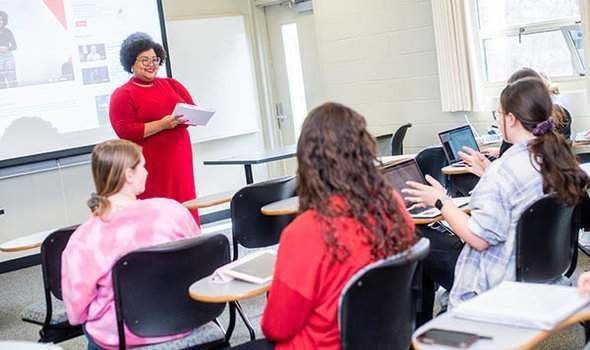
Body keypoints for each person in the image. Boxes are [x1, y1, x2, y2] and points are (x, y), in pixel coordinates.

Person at [233, 102, 417, 350]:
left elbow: (276, 327)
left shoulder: (306, 231)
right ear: (363, 151)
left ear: (309, 163)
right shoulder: (392, 205)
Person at [404, 77, 588, 325]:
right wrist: (488, 172)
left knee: (417, 237)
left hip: (497, 278)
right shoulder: (556, 159)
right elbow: (520, 196)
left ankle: (426, 327)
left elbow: (479, 240)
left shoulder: (505, 170)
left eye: (498, 114)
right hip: (541, 268)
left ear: (510, 118)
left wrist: (441, 201)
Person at [61, 139, 200, 350]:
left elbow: (76, 312)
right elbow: (199, 263)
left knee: (90, 329)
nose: (147, 172)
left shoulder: (84, 238)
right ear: (128, 174)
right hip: (185, 319)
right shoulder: (173, 212)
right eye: (143, 166)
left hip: (123, 337)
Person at [109, 32, 199, 224]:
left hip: (179, 160)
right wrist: (163, 124)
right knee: (158, 212)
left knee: (185, 203)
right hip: (150, 165)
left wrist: (193, 117)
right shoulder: (123, 94)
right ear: (131, 63)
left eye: (155, 59)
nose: (151, 64)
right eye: (144, 60)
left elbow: (193, 110)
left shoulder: (171, 84)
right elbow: (125, 131)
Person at [0, 11, 17, 88]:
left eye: (1, 20)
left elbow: (15, 46)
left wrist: (7, 49)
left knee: (12, 80)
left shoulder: (8, 31)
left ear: (4, 21)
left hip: (8, 58)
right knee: (1, 82)